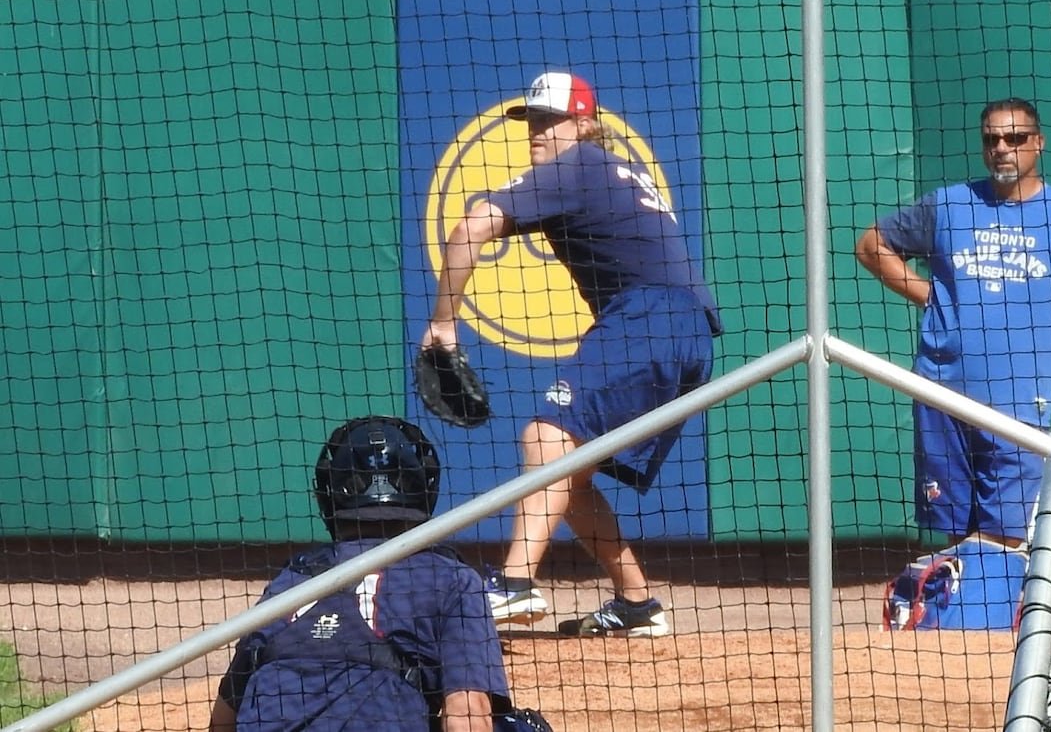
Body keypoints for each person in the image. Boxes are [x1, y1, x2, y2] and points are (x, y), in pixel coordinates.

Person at [423, 71, 721, 637]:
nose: (537, 130)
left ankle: (512, 585)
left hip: (650, 316)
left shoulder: (575, 166)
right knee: (568, 468)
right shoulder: (608, 169)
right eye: (532, 120)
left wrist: (443, 323)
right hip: (684, 325)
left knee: (546, 437)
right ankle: (637, 603)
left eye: (550, 120)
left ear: (584, 123)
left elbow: (467, 229)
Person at [854, 97, 1051, 550]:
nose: (1002, 148)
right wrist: (931, 296)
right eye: (992, 139)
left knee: (1003, 537)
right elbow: (870, 246)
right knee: (956, 537)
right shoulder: (947, 205)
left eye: (1015, 138)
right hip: (941, 392)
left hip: (1018, 407)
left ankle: (1002, 614)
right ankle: (966, 619)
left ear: (1038, 144)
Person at [208, 415, 547, 731]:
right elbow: (467, 713)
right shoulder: (452, 579)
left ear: (328, 494)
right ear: (423, 489)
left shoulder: (293, 579)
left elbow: (223, 719)